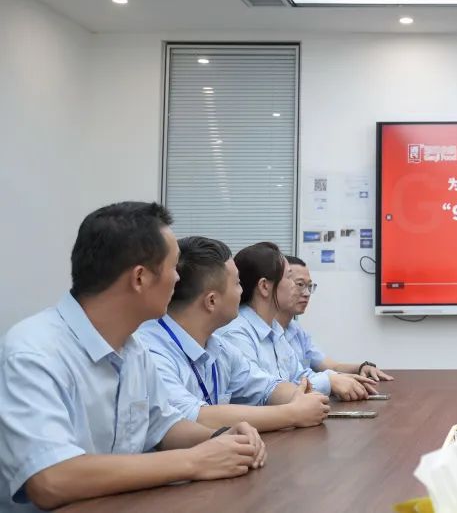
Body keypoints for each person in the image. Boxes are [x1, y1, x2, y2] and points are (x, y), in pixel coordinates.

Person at [0, 202, 265, 511]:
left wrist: (221, 439)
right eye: (173, 268)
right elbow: (51, 479)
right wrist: (195, 461)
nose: (178, 280)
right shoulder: (33, 351)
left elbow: (163, 425)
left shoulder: (133, 348)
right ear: (140, 278)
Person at [136, 236, 331, 432]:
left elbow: (267, 386)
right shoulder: (151, 349)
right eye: (237, 283)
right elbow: (190, 418)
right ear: (211, 301)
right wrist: (292, 413)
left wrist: (300, 398)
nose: (242, 291)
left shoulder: (218, 346)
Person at [216, 242, 375, 401]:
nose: (298, 288)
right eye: (289, 277)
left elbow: (299, 375)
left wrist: (336, 378)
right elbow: (263, 391)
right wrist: (329, 381)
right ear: (264, 286)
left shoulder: (274, 329)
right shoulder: (235, 333)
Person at [277, 256, 392, 382]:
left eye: (309, 286)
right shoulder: (268, 334)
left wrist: (362, 367)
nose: (307, 293)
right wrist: (332, 381)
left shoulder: (296, 331)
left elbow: (332, 367)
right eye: (300, 285)